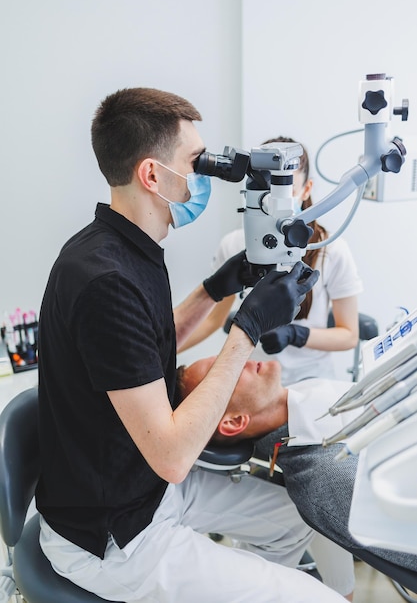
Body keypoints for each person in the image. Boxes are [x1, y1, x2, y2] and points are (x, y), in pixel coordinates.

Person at [35, 87, 349, 603]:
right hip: (117, 536)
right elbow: (174, 457)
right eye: (195, 162)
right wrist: (246, 329)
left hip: (147, 490)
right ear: (152, 175)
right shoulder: (104, 281)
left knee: (299, 518)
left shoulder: (123, 246)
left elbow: (149, 345)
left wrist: (217, 288)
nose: (205, 175)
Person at [177, 355, 417, 597]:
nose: (239, 358)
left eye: (224, 358)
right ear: (235, 421)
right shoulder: (327, 476)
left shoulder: (303, 395)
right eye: (222, 372)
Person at [179, 137, 363, 387]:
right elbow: (212, 320)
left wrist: (297, 334)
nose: (273, 202)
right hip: (254, 380)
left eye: (286, 189)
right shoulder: (234, 245)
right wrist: (159, 353)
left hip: (310, 379)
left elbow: (349, 335)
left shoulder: (331, 250)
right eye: (266, 190)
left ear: (306, 190)